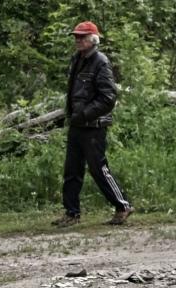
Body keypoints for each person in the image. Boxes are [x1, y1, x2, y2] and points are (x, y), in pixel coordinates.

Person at [53, 21, 134, 227]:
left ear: (94, 39)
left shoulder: (101, 62)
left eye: (82, 37)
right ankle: (71, 213)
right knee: (72, 170)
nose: (78, 40)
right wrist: (73, 116)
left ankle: (123, 205)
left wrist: (85, 114)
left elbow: (108, 97)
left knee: (99, 169)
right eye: (76, 37)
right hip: (77, 123)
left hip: (94, 126)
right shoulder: (77, 59)